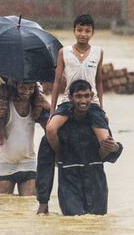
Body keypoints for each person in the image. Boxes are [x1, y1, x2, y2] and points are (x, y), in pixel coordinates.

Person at [37, 80, 123, 215]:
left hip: (96, 184)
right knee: (73, 224)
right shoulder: (59, 129)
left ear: (91, 97)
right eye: (79, 96)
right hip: (70, 183)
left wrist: (115, 148)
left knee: (96, 226)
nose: (83, 100)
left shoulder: (98, 123)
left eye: (86, 96)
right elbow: (44, 166)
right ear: (70, 98)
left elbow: (109, 156)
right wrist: (43, 201)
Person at [46, 14, 109, 158]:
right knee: (50, 129)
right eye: (80, 30)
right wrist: (52, 111)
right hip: (69, 101)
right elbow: (56, 82)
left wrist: (102, 108)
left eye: (87, 31)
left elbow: (99, 81)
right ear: (74, 31)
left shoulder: (98, 52)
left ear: (92, 33)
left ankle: (97, 161)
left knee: (106, 139)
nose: (83, 34)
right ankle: (60, 157)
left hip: (91, 102)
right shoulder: (63, 52)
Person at [0, 81, 42, 196]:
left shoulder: (35, 105)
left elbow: (49, 126)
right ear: (15, 86)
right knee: (4, 210)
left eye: (31, 88)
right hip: (6, 165)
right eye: (22, 88)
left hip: (29, 164)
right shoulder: (3, 105)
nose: (27, 92)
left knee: (27, 208)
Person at [0, 72, 48, 147]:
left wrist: (38, 105)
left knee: (42, 111)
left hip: (31, 89)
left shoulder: (17, 68)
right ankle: (1, 131)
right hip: (6, 94)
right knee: (1, 92)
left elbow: (34, 86)